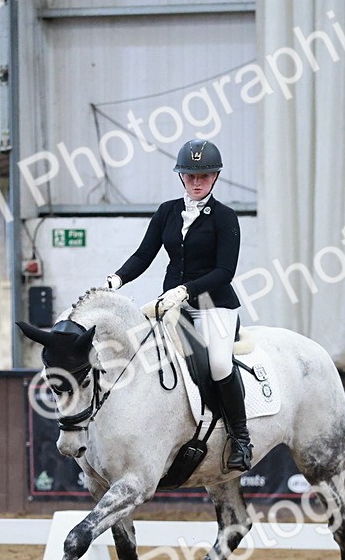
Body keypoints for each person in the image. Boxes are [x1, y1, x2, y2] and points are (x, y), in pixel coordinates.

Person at [105, 138, 253, 470]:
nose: (196, 182)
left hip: (214, 305)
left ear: (215, 177)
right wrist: (117, 278)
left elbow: (224, 272)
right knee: (146, 355)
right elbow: (145, 254)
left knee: (218, 364)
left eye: (204, 176)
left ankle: (241, 439)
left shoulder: (226, 218)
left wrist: (186, 290)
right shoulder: (167, 212)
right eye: (190, 175)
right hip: (172, 305)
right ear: (181, 176)